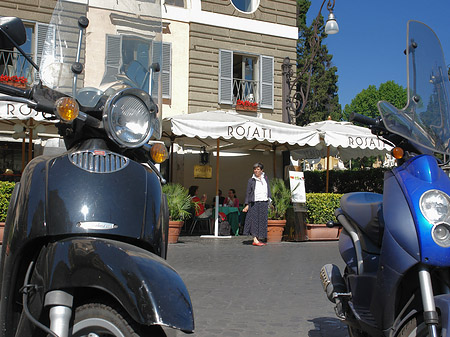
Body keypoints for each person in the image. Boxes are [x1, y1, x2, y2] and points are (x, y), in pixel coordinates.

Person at [243, 162, 271, 246]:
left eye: (258, 169)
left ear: (262, 170)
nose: (256, 171)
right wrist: (247, 204)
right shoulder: (251, 180)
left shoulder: (265, 178)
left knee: (262, 220)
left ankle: (258, 238)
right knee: (254, 221)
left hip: (264, 202)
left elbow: (268, 189)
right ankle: (255, 239)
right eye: (255, 169)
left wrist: (269, 199)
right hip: (254, 202)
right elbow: (248, 192)